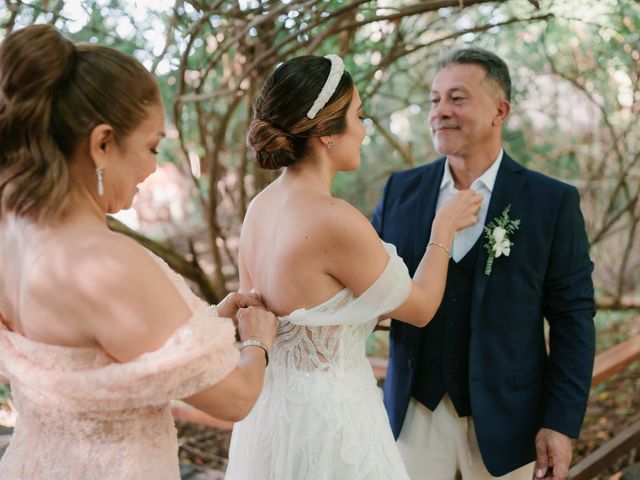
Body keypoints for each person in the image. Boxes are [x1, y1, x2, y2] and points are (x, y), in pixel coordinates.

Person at [0, 24, 278, 480]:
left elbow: (96, 348)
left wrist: (210, 322)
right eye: (151, 146)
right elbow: (234, 398)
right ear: (102, 143)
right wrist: (257, 340)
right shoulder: (103, 265)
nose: (152, 167)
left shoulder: (11, 238)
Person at [224, 54, 482, 480]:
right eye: (358, 116)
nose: (363, 130)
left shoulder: (259, 208)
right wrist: (444, 228)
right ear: (326, 133)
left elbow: (264, 311)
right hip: (330, 425)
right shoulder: (334, 219)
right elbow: (419, 308)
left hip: (270, 414)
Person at [373, 47, 596, 480]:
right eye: (435, 99)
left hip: (510, 422)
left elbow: (573, 320)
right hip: (411, 418)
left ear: (500, 110)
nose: (440, 111)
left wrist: (560, 423)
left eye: (457, 98)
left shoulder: (551, 202)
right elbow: (369, 287)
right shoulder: (399, 191)